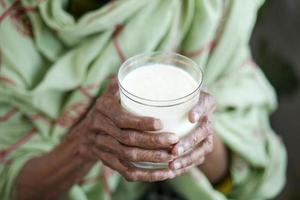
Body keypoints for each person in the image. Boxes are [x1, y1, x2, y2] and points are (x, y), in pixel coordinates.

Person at [0, 0, 286, 200]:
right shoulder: (10, 22)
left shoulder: (209, 8)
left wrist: (197, 137)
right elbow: (10, 188)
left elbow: (248, 183)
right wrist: (86, 142)